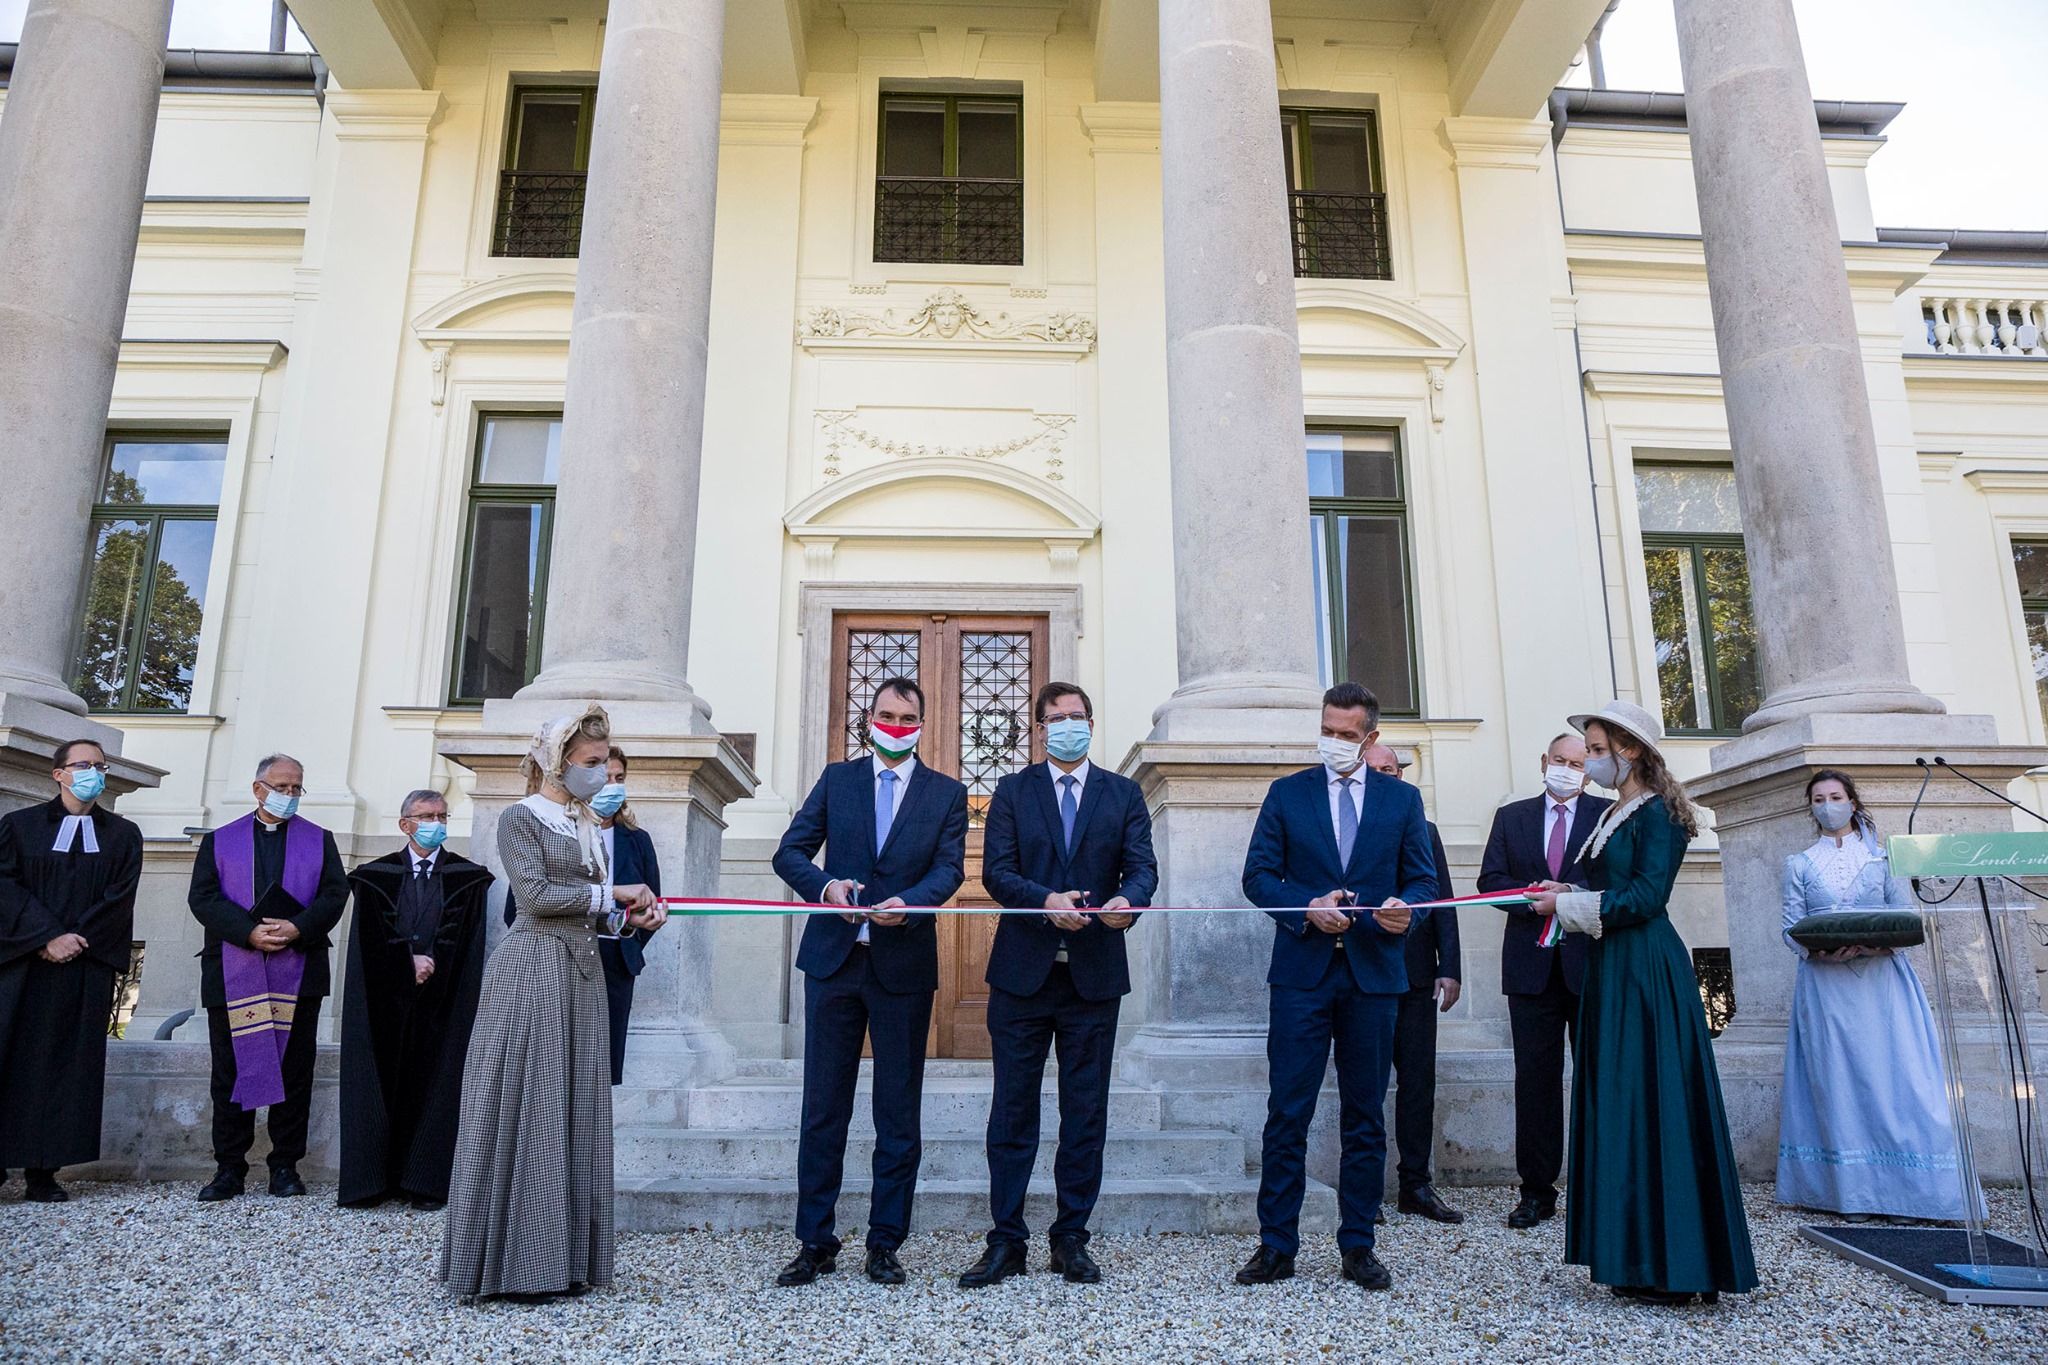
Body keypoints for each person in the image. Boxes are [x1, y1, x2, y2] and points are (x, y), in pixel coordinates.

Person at [1530, 701, 1756, 1306]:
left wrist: (1568, 906)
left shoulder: (1660, 814)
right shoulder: (1617, 812)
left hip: (1645, 970)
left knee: (1654, 1101)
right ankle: (1632, 1254)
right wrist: (1566, 890)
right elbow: (1613, 888)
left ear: (1630, 751)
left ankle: (1677, 1263)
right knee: (1622, 1102)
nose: (1589, 761)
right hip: (1613, 966)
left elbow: (1647, 898)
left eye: (1597, 750)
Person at [441, 705, 663, 1300]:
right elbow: (536, 897)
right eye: (592, 763)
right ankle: (514, 1266)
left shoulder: (585, 822)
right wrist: (613, 894)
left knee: (574, 1109)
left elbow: (594, 914)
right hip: (531, 975)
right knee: (530, 1106)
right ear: (558, 762)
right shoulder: (521, 818)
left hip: (583, 976)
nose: (602, 775)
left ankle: (563, 1262)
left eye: (606, 764)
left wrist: (634, 920)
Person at [1236, 683, 1437, 1292]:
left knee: (1365, 1116)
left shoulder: (1402, 800)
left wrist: (1407, 912)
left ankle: (1358, 1245)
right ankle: (1276, 1245)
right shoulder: (1287, 793)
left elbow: (1423, 883)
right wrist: (1307, 907)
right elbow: (1257, 877)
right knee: (1286, 1112)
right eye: (1327, 730)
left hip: (1374, 976)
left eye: (1347, 735)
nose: (1334, 741)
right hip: (1302, 976)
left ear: (1371, 737)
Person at [770, 676, 969, 1288]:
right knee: (823, 1108)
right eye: (886, 715)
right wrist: (825, 887)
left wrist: (910, 903)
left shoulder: (946, 793)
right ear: (869, 719)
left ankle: (886, 1242)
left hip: (902, 968)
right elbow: (789, 852)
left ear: (921, 725)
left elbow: (950, 870)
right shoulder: (838, 780)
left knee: (897, 1111)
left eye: (907, 718)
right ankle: (815, 1240)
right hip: (833, 964)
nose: (896, 726)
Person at [960, 682, 1157, 1288]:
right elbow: (997, 872)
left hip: (1093, 978)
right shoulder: (1013, 791)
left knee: (1085, 1113)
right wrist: (1045, 901)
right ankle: (1006, 1239)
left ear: (1090, 724)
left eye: (1077, 716)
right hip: (1023, 976)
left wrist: (1128, 902)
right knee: (1012, 1111)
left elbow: (1142, 869)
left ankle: (1071, 1237)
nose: (1068, 725)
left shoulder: (1122, 793)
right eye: (1056, 717)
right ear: (1041, 728)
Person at [1777, 769, 1977, 1221]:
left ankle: (1914, 1194)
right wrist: (1819, 953)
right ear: (1811, 808)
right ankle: (1853, 1195)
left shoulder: (1882, 858)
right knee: (1839, 1082)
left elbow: (1904, 914)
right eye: (1819, 799)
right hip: (1826, 985)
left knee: (1896, 1078)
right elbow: (1789, 927)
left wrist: (1878, 945)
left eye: (1835, 797)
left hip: (1883, 983)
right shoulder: (1799, 864)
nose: (1828, 806)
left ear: (1852, 802)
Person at [188, 753, 349, 1202]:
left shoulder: (320, 840)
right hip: (232, 968)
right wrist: (248, 932)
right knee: (230, 1071)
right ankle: (229, 1168)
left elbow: (335, 894)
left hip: (300, 968)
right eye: (282, 787)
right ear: (258, 789)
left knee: (294, 1071)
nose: (290, 795)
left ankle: (284, 1166)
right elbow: (203, 897)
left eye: (297, 787)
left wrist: (298, 927)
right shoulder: (219, 841)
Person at [1475, 733, 1611, 1229]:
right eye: (1559, 760)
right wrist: (1529, 899)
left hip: (1589, 966)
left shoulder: (1608, 815)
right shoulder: (1511, 817)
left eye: (1577, 763)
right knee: (1535, 1083)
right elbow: (1489, 881)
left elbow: (1615, 881)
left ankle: (1601, 1187)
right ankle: (1536, 1191)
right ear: (1543, 761)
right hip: (1530, 970)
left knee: (1599, 1079)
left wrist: (1569, 893)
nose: (1567, 769)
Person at [338, 788, 494, 1210]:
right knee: (381, 1080)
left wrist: (432, 962)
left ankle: (424, 1182)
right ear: (405, 824)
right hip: (385, 998)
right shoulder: (375, 877)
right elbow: (370, 939)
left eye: (441, 816)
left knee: (434, 1082)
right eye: (426, 817)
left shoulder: (467, 878)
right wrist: (404, 961)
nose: (435, 824)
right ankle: (373, 1180)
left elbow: (465, 939)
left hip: (442, 998)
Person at [0, 739, 142, 1202]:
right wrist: (45, 937)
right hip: (24, 962)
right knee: (9, 1059)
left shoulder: (123, 835)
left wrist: (75, 939)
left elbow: (119, 898)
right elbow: (5, 887)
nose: (94, 773)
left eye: (101, 766)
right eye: (84, 765)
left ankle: (44, 1170)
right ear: (58, 773)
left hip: (84, 966)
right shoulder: (18, 827)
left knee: (65, 1067)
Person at [499, 746, 662, 1085]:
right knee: (550, 1065)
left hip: (615, 959)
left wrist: (628, 928)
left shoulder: (637, 840)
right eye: (602, 775)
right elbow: (523, 904)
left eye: (619, 778)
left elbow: (649, 899)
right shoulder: (543, 825)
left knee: (600, 1068)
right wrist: (610, 895)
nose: (611, 785)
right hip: (558, 954)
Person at [1361, 744, 1463, 1226]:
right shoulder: (1348, 828)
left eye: (1391, 770)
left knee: (1418, 1083)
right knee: (1366, 1084)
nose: (1385, 776)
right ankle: (1364, 1190)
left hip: (1417, 975)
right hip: (1365, 974)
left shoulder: (1427, 829)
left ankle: (1415, 1185)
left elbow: (1442, 899)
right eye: (1375, 770)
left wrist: (1451, 966)